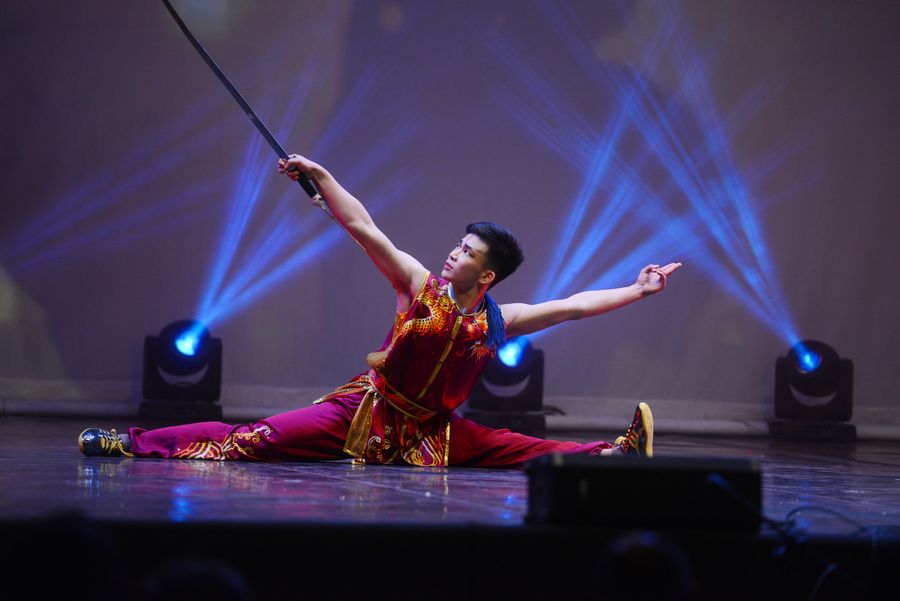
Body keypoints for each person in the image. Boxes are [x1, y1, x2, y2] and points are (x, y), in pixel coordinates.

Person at [78, 154, 681, 467]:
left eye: (468, 252)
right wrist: (320, 175)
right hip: (364, 413)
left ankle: (615, 455)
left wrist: (638, 290)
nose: (454, 252)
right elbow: (364, 227)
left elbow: (573, 307)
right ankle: (130, 443)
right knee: (252, 441)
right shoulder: (418, 285)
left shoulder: (499, 320)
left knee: (515, 449)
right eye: (458, 243)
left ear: (487, 275)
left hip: (431, 433)